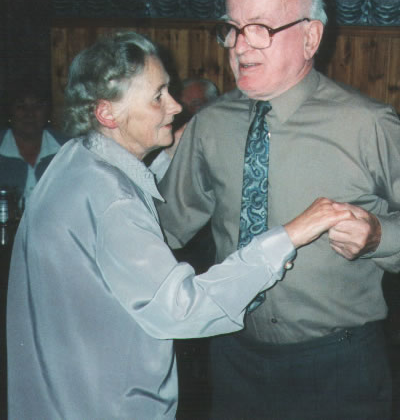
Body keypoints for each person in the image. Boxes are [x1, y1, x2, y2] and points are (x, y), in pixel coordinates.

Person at [156, 0, 400, 420]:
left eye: (260, 28)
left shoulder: (366, 124)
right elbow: (166, 225)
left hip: (337, 366)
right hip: (232, 356)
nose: (240, 45)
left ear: (311, 38)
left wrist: (378, 235)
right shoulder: (209, 125)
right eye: (232, 29)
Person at [6, 31, 354, 420]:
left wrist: (169, 150)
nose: (174, 106)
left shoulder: (74, 158)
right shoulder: (113, 200)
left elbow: (123, 186)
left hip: (59, 388)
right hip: (106, 401)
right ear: (107, 113)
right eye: (157, 97)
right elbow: (182, 309)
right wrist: (287, 237)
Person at [0, 82, 68, 209]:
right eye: (21, 106)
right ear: (10, 112)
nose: (29, 113)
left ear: (47, 112)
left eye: (37, 106)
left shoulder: (68, 150)